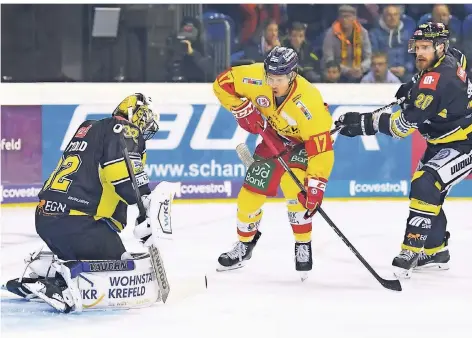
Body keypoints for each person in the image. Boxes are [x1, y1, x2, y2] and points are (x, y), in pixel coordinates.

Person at [4, 94, 172, 312]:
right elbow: (124, 179)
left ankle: (40, 274)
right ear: (135, 115)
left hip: (47, 219)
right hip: (78, 223)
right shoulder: (124, 130)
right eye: (145, 119)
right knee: (123, 267)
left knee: (94, 251)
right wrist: (145, 205)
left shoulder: (90, 128)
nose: (146, 128)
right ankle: (60, 287)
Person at [334, 22, 472, 278]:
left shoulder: (438, 81)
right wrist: (413, 87)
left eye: (424, 48)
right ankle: (436, 250)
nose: (419, 53)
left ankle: (410, 251)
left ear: (440, 47)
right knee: (429, 195)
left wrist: (361, 123)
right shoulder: (450, 56)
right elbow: (459, 64)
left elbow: (401, 127)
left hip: (464, 144)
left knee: (425, 185)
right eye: (417, 47)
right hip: (442, 140)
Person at [212, 46, 335, 280]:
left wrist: (316, 185)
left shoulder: (308, 100)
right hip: (272, 139)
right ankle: (244, 245)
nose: (272, 83)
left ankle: (302, 243)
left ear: (292, 75)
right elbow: (221, 84)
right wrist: (240, 109)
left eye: (278, 78)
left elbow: (321, 148)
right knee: (249, 197)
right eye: (270, 76)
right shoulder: (255, 76)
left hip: (302, 145)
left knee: (295, 187)